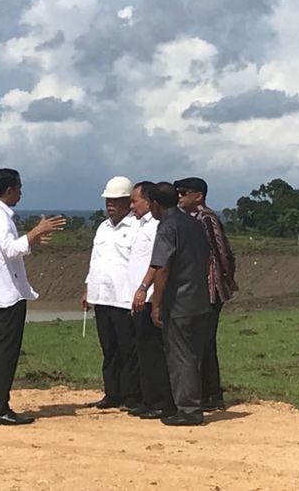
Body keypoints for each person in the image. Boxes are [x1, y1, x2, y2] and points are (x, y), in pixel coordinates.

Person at [0, 168, 65, 426]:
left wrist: (31, 239)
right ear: (9, 189)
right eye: (19, 188)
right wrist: (34, 232)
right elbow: (10, 249)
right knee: (6, 353)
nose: (21, 193)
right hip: (8, 293)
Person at [147, 182, 213, 426]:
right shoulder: (194, 222)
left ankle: (188, 410)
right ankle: (194, 401)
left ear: (155, 204)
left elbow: (162, 267)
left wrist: (156, 303)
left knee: (180, 356)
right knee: (193, 355)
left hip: (178, 301)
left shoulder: (167, 226)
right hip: (199, 297)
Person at [174, 177, 238, 411]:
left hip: (209, 288)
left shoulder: (205, 218)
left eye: (183, 193)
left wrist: (225, 279)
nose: (179, 197)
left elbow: (221, 250)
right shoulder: (187, 219)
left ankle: (212, 393)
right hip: (194, 289)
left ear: (198, 196)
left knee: (204, 342)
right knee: (195, 342)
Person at [81, 176, 141, 410]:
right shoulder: (103, 228)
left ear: (128, 202)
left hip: (124, 298)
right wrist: (88, 289)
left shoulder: (136, 227)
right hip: (101, 297)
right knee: (109, 349)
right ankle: (112, 393)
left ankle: (132, 395)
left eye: (115, 201)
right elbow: (95, 261)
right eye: (108, 201)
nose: (110, 205)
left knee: (128, 349)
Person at [127, 181, 175, 419]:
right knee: (143, 351)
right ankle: (148, 398)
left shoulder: (156, 226)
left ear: (148, 201)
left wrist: (146, 289)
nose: (131, 205)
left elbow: (158, 263)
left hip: (149, 296)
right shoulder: (138, 226)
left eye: (135, 201)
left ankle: (161, 401)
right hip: (137, 298)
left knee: (154, 351)